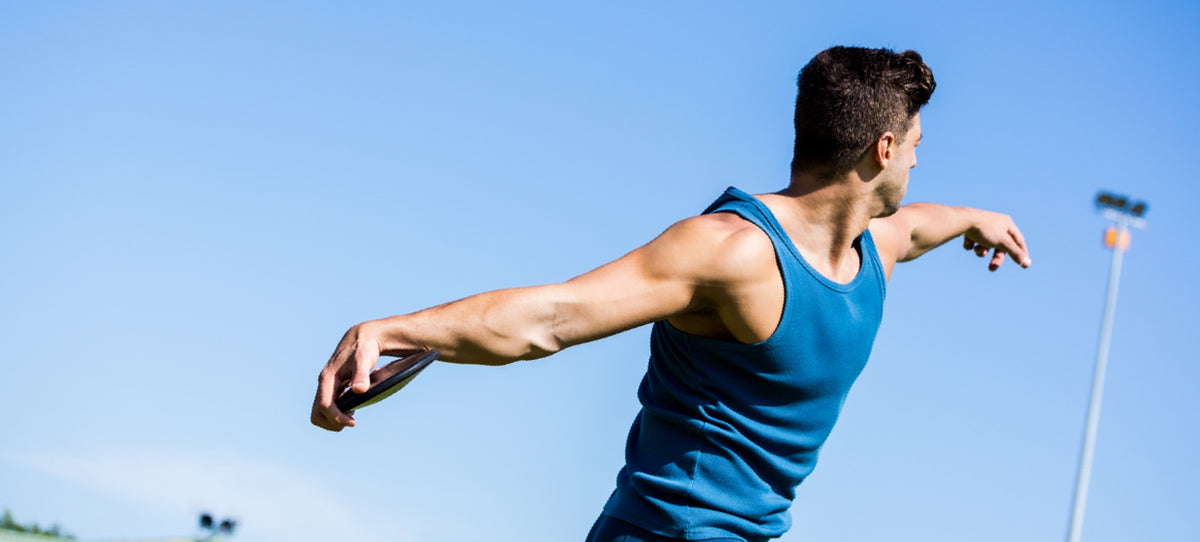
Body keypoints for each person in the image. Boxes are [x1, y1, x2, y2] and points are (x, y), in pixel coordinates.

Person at [310, 46, 1031, 542]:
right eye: (915, 145)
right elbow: (552, 318)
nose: (917, 161)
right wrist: (393, 330)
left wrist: (981, 220)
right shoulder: (733, 253)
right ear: (883, 149)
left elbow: (925, 224)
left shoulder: (877, 246)